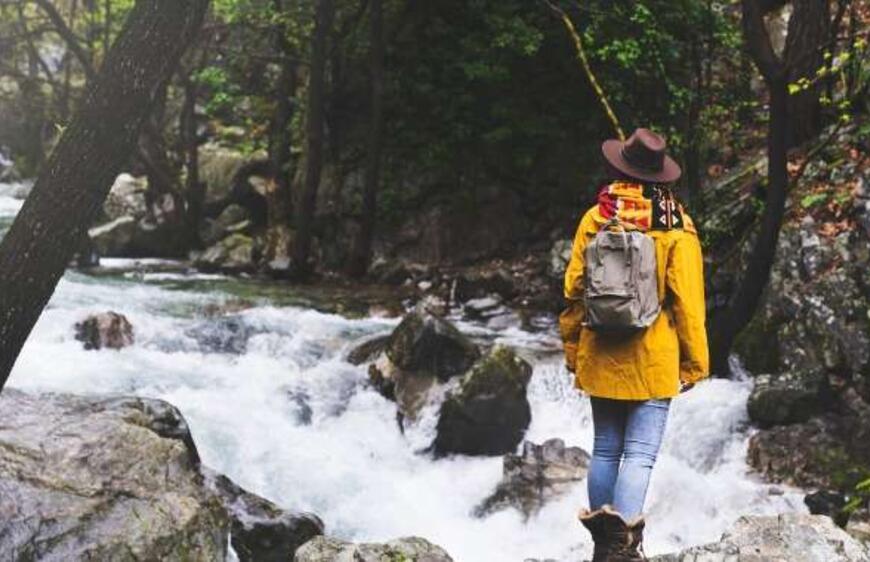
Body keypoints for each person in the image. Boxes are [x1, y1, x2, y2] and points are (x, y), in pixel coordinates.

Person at [560, 128, 709, 561]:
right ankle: (623, 550)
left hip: (599, 349)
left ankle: (605, 547)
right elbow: (688, 302)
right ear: (660, 176)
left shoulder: (597, 216)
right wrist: (695, 364)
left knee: (606, 447)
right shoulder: (676, 225)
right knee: (640, 455)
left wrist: (573, 351)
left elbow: (573, 288)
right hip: (653, 357)